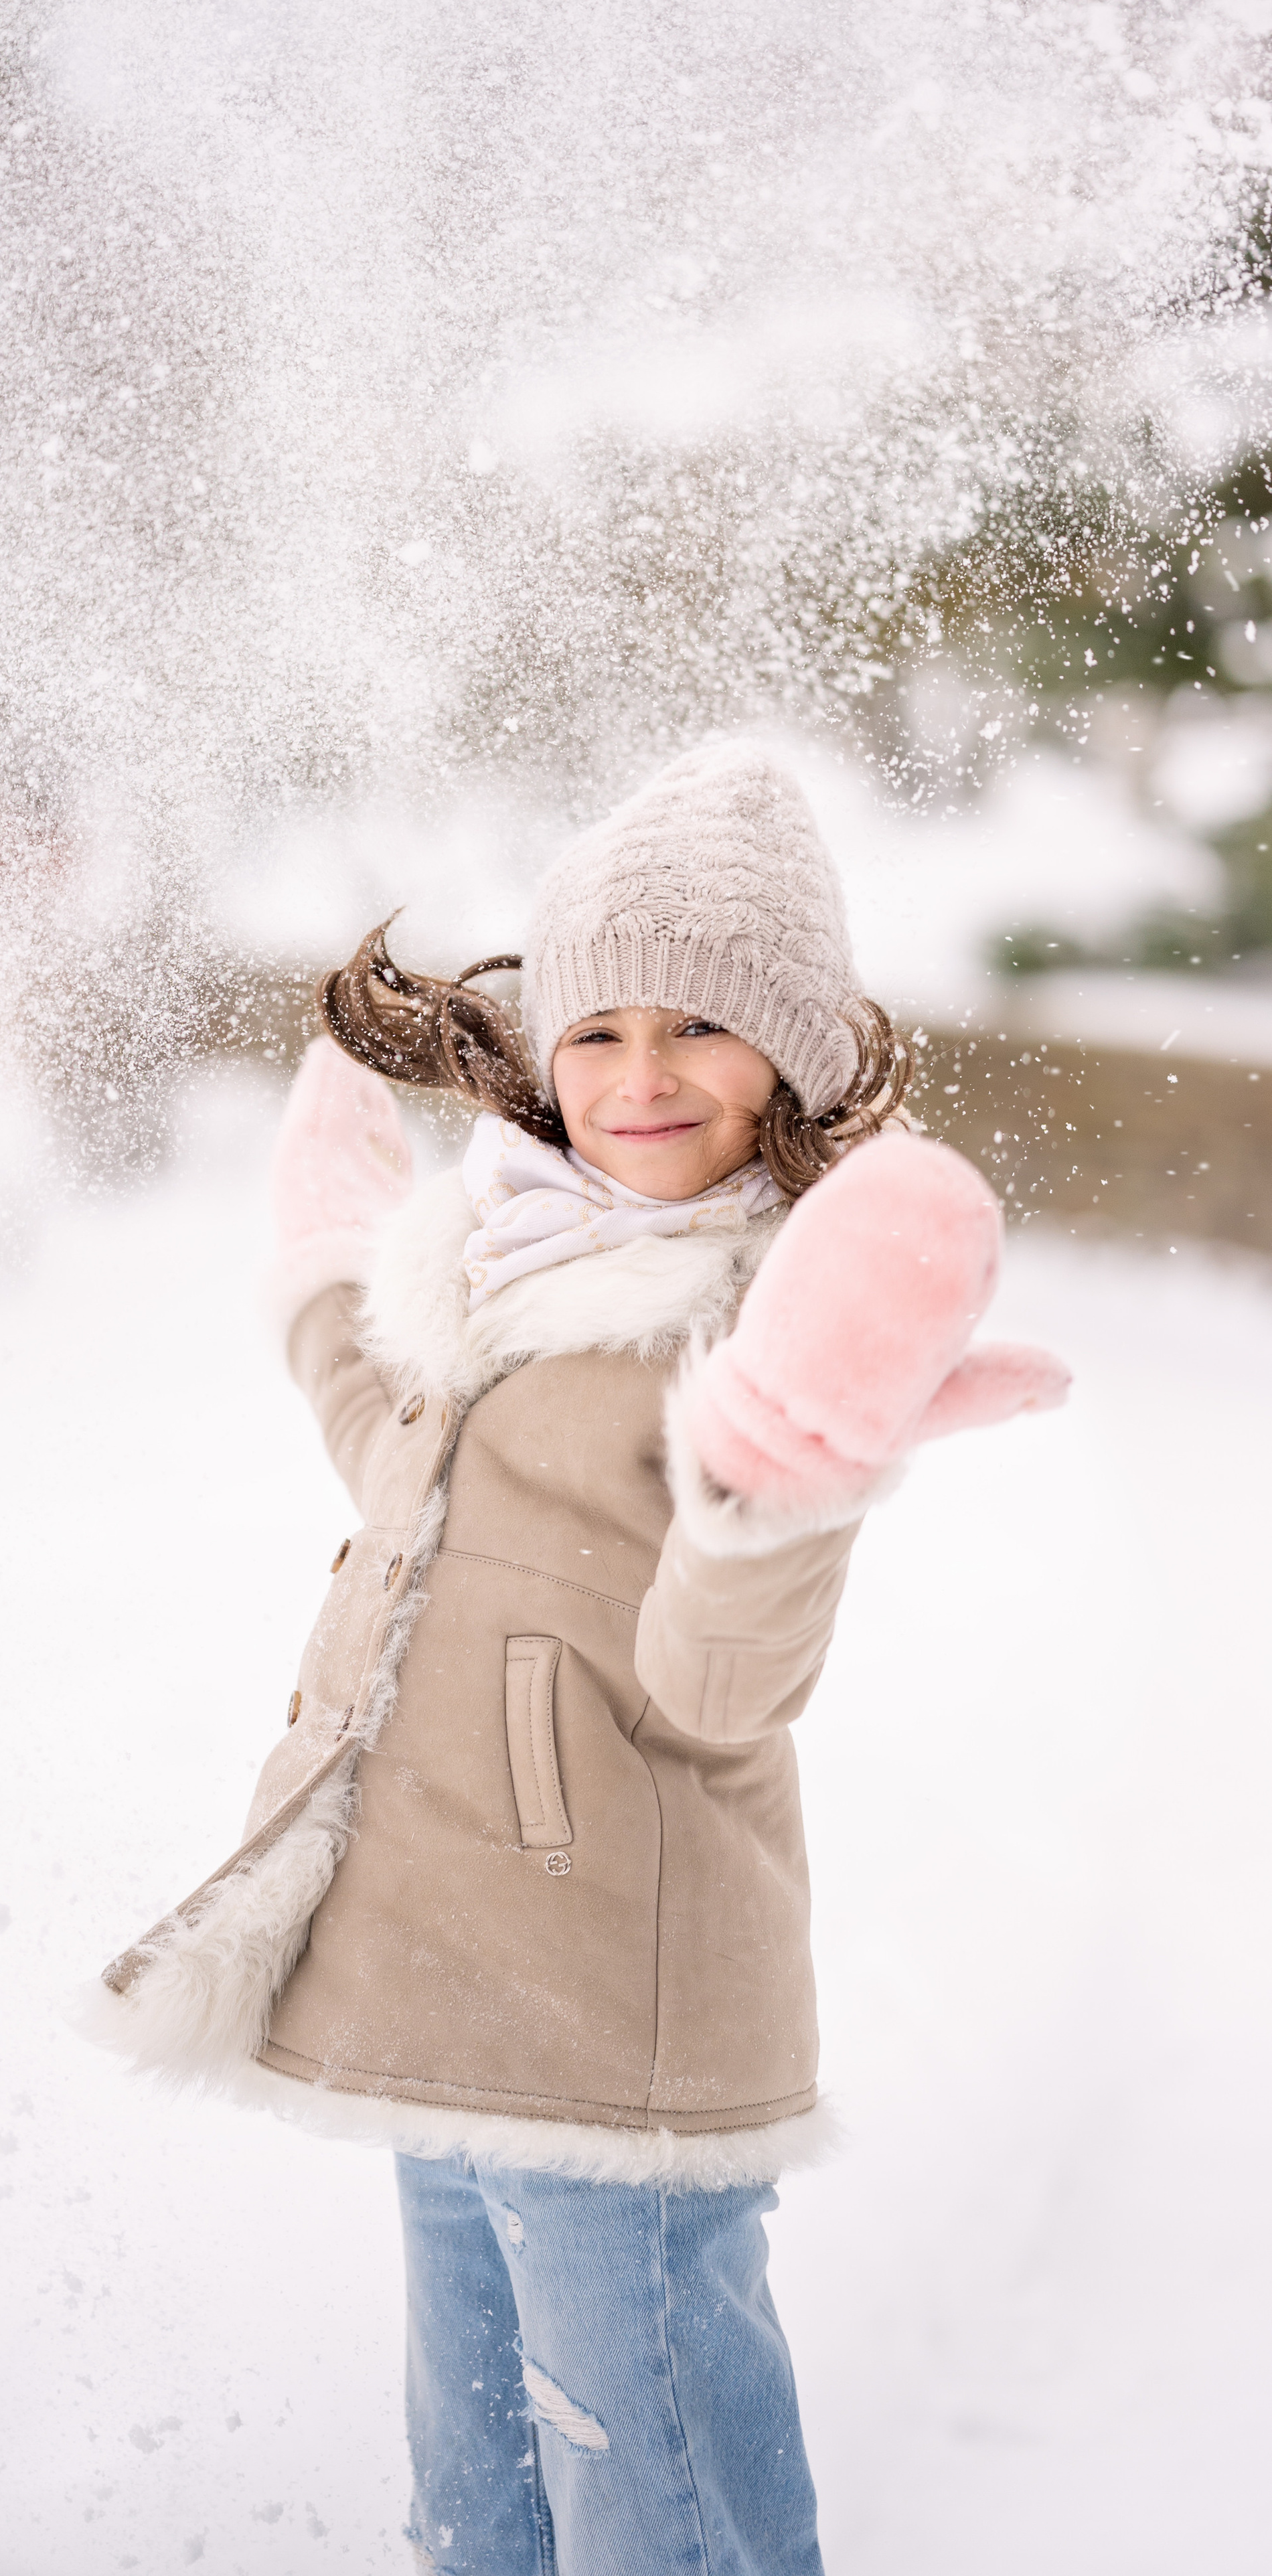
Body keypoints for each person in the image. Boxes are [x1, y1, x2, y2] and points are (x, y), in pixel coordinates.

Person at [82, 744, 1069, 2573]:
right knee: (478, 2487)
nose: (639, 1078)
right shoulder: (509, 1262)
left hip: (610, 2001)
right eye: (600, 1028)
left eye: (701, 1028)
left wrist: (774, 1481)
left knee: (660, 2489)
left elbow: (719, 1692)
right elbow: (412, 1473)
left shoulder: (770, 1313)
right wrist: (326, 1278)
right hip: (436, 1977)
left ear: (793, 1057)